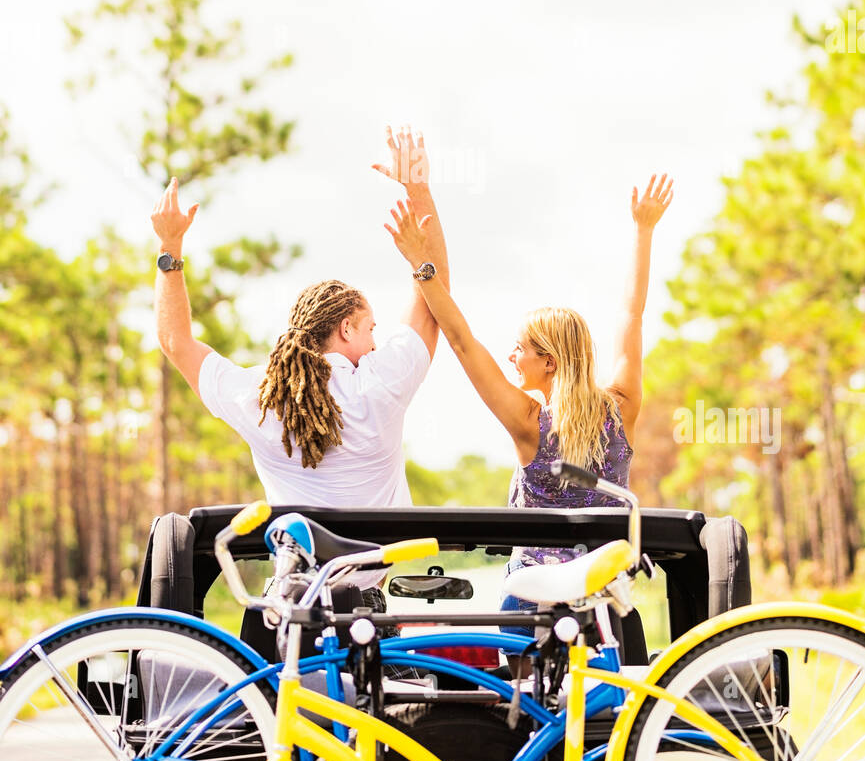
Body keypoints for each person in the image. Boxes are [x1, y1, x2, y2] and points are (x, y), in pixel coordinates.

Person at [151, 127, 449, 606]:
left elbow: (174, 341)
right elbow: (434, 304)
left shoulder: (262, 398)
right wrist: (417, 189)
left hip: (286, 609)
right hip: (364, 619)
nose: (376, 341)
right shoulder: (382, 383)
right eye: (371, 328)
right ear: (347, 329)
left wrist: (170, 249)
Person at [384, 174, 673, 663]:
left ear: (550, 362)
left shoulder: (528, 423)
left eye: (519, 349)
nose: (511, 356)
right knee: (615, 727)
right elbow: (633, 313)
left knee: (524, 725)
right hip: (606, 606)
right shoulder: (620, 407)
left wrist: (422, 267)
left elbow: (459, 339)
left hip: (532, 605)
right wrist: (643, 231)